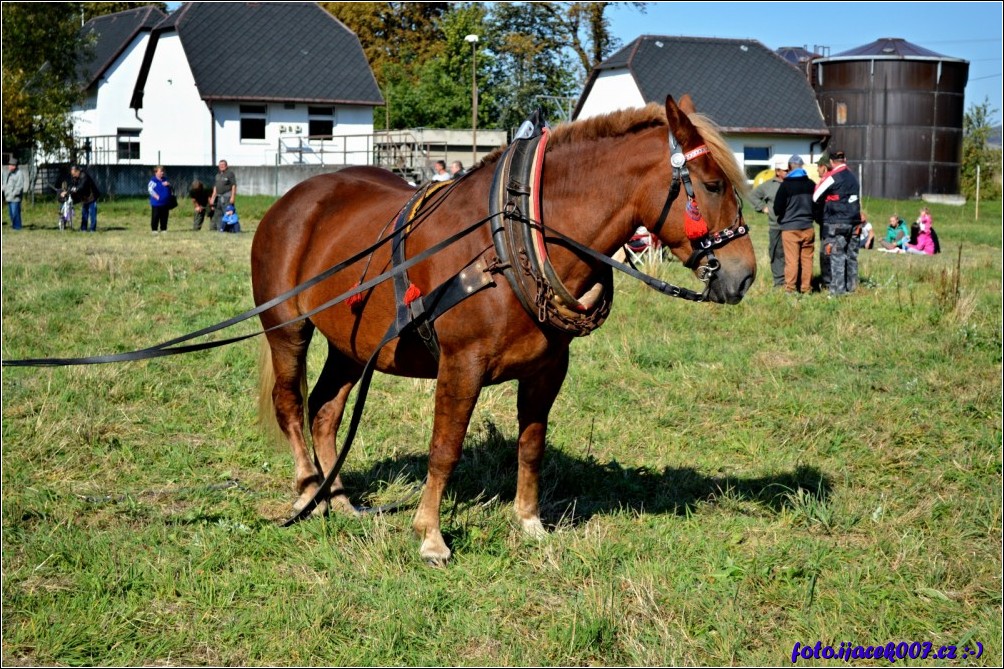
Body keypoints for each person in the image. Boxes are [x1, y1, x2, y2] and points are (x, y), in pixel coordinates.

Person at [812, 150, 861, 297]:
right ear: (844, 159)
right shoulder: (854, 177)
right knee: (851, 256)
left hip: (837, 222)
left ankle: (837, 292)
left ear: (831, 162)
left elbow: (815, 196)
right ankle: (851, 287)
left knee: (837, 256)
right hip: (854, 221)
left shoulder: (832, 177)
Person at [772, 155, 816, 294]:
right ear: (802, 167)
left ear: (790, 167)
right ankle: (806, 288)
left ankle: (790, 289)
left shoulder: (785, 185)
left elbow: (777, 208)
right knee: (807, 260)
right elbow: (817, 205)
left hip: (790, 229)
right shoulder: (811, 184)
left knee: (792, 261)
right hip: (808, 227)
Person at [748, 155, 788, 287]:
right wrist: (763, 208)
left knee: (790, 254)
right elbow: (752, 196)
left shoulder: (791, 183)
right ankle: (779, 282)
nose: (788, 172)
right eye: (785, 170)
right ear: (777, 171)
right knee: (776, 252)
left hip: (791, 226)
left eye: (789, 170)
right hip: (775, 225)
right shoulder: (768, 186)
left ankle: (791, 279)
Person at [62, 164, 100, 232]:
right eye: (72, 174)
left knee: (92, 214)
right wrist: (67, 191)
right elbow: (71, 185)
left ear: (77, 171)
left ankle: (92, 229)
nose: (73, 175)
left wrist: (73, 190)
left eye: (73, 174)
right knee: (84, 214)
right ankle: (83, 229)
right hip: (84, 198)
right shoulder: (75, 177)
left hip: (92, 197)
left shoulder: (84, 176)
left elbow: (81, 187)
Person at [208, 159, 236, 232]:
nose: (222, 166)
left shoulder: (230, 174)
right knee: (218, 214)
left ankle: (231, 229)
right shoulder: (217, 175)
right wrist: (213, 198)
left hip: (227, 197)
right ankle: (220, 229)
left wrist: (233, 196)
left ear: (226, 166)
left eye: (223, 165)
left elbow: (233, 185)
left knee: (228, 213)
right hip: (219, 197)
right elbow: (215, 187)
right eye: (220, 165)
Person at [147, 165, 172, 234]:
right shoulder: (153, 180)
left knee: (164, 216)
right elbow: (150, 189)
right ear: (156, 172)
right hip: (156, 203)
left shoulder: (164, 179)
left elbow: (169, 188)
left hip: (165, 203)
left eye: (163, 171)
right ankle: (154, 230)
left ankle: (163, 229)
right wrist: (156, 196)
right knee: (155, 216)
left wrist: (168, 185)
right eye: (161, 171)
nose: (162, 173)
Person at [3, 156, 25, 230]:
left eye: (10, 165)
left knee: (15, 213)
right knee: (11, 214)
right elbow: (7, 184)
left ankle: (17, 227)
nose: (9, 166)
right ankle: (14, 226)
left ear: (14, 166)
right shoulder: (10, 173)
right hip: (9, 197)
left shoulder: (19, 174)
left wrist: (13, 194)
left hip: (15, 198)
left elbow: (19, 186)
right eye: (9, 165)